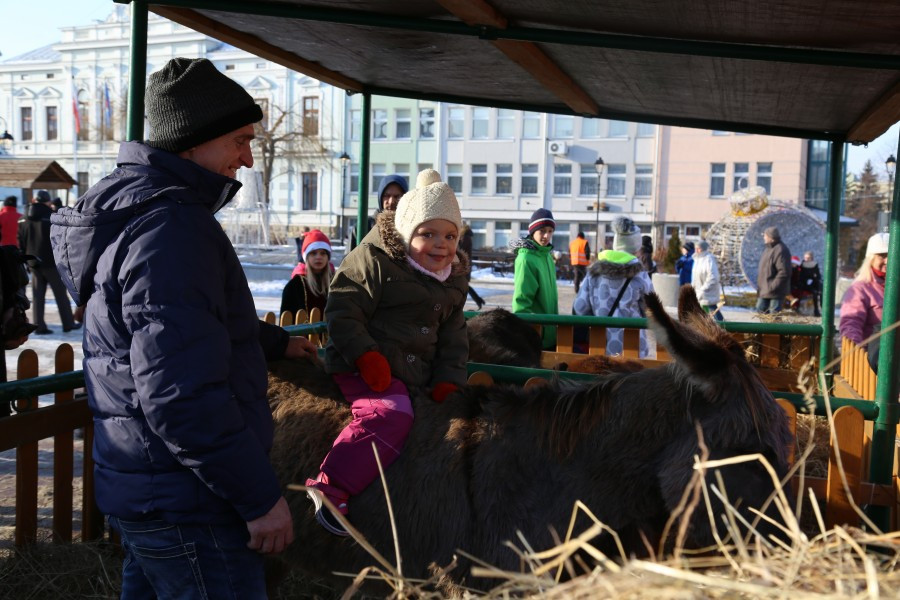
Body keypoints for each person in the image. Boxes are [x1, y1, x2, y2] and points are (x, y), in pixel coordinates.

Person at [49, 57, 318, 598]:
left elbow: (180, 327)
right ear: (193, 141)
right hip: (190, 501)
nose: (247, 157)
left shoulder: (147, 212)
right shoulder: (173, 229)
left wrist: (274, 343)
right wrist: (258, 499)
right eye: (239, 140)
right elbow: (180, 394)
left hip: (154, 489)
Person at [306, 168, 469, 536]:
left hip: (413, 371)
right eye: (427, 234)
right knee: (390, 414)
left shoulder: (452, 279)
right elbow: (344, 309)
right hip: (364, 364)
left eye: (450, 235)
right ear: (406, 233)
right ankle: (332, 487)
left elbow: (454, 339)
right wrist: (366, 356)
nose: (441, 244)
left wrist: (447, 381)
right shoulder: (374, 259)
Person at [574, 216, 653, 356]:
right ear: (636, 247)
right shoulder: (640, 275)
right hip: (632, 348)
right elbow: (651, 311)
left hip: (599, 347)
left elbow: (580, 308)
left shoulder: (594, 273)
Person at [18, 190, 79, 334]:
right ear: (47, 202)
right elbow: (60, 240)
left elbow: (20, 240)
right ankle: (68, 323)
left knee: (37, 296)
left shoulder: (23, 218)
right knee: (61, 295)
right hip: (51, 261)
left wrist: (25, 258)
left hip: (32, 262)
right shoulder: (51, 217)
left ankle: (39, 326)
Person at [510, 208, 559, 349]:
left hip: (550, 333)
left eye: (550, 231)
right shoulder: (526, 259)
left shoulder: (546, 256)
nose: (546, 236)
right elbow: (521, 303)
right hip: (536, 338)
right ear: (532, 231)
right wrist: (527, 337)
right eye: (542, 231)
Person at [840, 232, 889, 374]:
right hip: (876, 361)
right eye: (882, 255)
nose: (887, 260)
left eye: (891, 255)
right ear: (871, 258)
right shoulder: (860, 289)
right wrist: (859, 356)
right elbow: (851, 323)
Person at [280, 229, 334, 318]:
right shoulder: (294, 286)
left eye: (323, 253)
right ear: (306, 257)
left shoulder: (335, 282)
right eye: (313, 253)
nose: (319, 257)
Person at [348, 174, 408, 251]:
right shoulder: (363, 227)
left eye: (397, 196)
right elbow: (349, 260)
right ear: (380, 197)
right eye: (386, 195)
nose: (391, 201)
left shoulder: (409, 227)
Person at [756, 226, 792, 313]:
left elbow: (784, 272)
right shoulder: (768, 249)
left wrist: (772, 286)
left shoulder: (780, 250)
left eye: (765, 236)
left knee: (773, 316)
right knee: (760, 311)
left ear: (771, 237)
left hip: (775, 292)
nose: (764, 237)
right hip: (765, 290)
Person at [691, 240, 723, 321]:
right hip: (699, 291)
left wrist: (704, 289)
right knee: (702, 312)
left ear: (703, 249)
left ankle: (723, 327)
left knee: (712, 309)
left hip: (708, 292)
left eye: (698, 248)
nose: (696, 250)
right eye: (696, 248)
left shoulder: (709, 259)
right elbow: (695, 276)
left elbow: (713, 276)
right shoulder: (697, 259)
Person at [458, 222, 485, 309]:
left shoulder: (465, 237)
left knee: (463, 286)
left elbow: (460, 250)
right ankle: (478, 300)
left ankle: (478, 300)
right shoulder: (466, 237)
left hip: (463, 266)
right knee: (464, 286)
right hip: (464, 265)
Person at [793, 251, 822, 316]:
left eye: (808, 258)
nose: (807, 259)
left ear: (811, 258)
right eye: (806, 258)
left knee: (817, 292)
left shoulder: (815, 265)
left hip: (813, 283)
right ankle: (797, 308)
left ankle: (817, 310)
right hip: (803, 284)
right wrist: (805, 280)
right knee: (801, 292)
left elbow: (818, 275)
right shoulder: (802, 265)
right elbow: (800, 275)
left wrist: (813, 279)